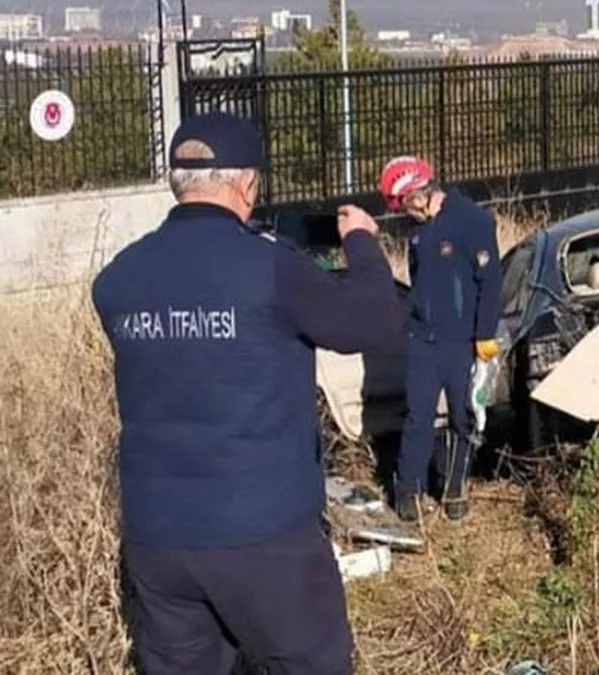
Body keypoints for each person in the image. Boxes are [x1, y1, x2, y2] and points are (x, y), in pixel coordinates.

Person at [91, 110, 405, 675]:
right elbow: (372, 322)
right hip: (264, 538)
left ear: (176, 183)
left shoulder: (119, 279)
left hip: (158, 540)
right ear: (248, 185)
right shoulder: (272, 269)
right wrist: (360, 242)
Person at [377, 155, 501, 528]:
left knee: (464, 416)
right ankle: (407, 490)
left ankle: (455, 488)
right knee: (418, 416)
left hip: (462, 341)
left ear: (416, 194)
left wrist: (485, 336)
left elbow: (489, 282)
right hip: (422, 340)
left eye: (401, 205)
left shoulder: (473, 222)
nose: (402, 214)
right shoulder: (417, 232)